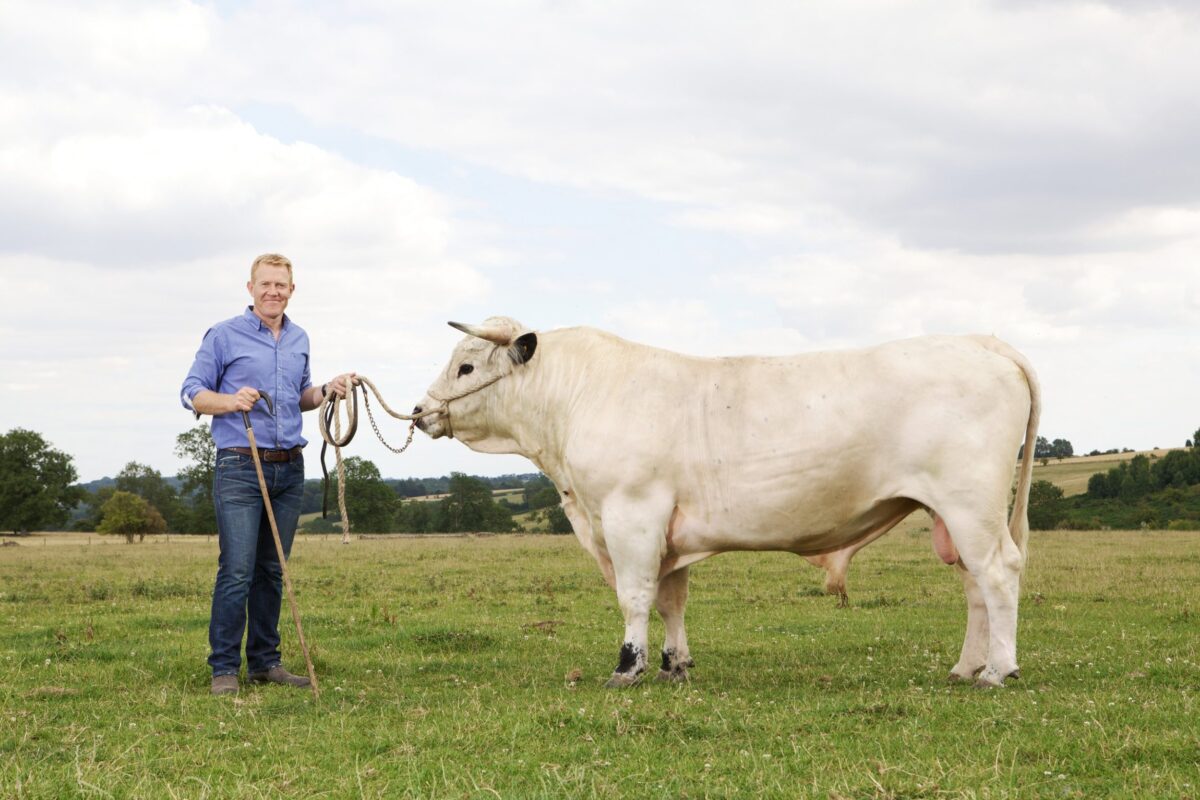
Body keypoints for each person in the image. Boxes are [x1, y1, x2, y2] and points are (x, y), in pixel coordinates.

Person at [181, 253, 354, 696]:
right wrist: (231, 400)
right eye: (266, 284)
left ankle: (264, 663)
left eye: (281, 285)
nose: (273, 292)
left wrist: (327, 391)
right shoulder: (223, 335)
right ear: (250, 288)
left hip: (288, 469)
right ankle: (223, 668)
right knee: (237, 570)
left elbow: (300, 396)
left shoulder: (299, 338)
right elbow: (193, 394)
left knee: (272, 571)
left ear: (291, 290)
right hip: (241, 463)